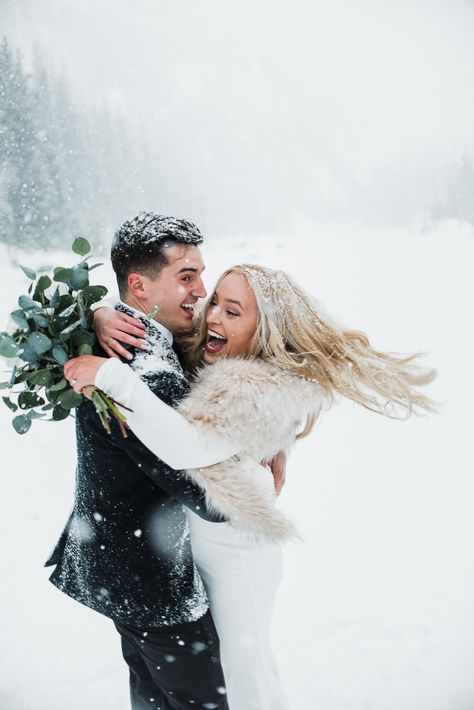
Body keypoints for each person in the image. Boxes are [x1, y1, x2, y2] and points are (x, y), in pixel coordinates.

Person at [65, 262, 436, 710]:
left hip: (238, 562)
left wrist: (111, 378)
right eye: (215, 301)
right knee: (231, 669)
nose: (212, 314)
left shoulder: (255, 386)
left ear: (265, 329)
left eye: (232, 310)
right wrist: (104, 313)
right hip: (208, 550)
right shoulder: (215, 353)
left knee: (246, 674)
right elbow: (152, 315)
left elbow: (188, 446)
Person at [46, 212, 248, 710]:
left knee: (155, 700)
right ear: (138, 285)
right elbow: (209, 497)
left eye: (201, 274)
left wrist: (95, 312)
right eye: (186, 277)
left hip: (119, 566)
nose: (201, 290)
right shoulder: (142, 371)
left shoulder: (133, 337)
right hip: (152, 584)